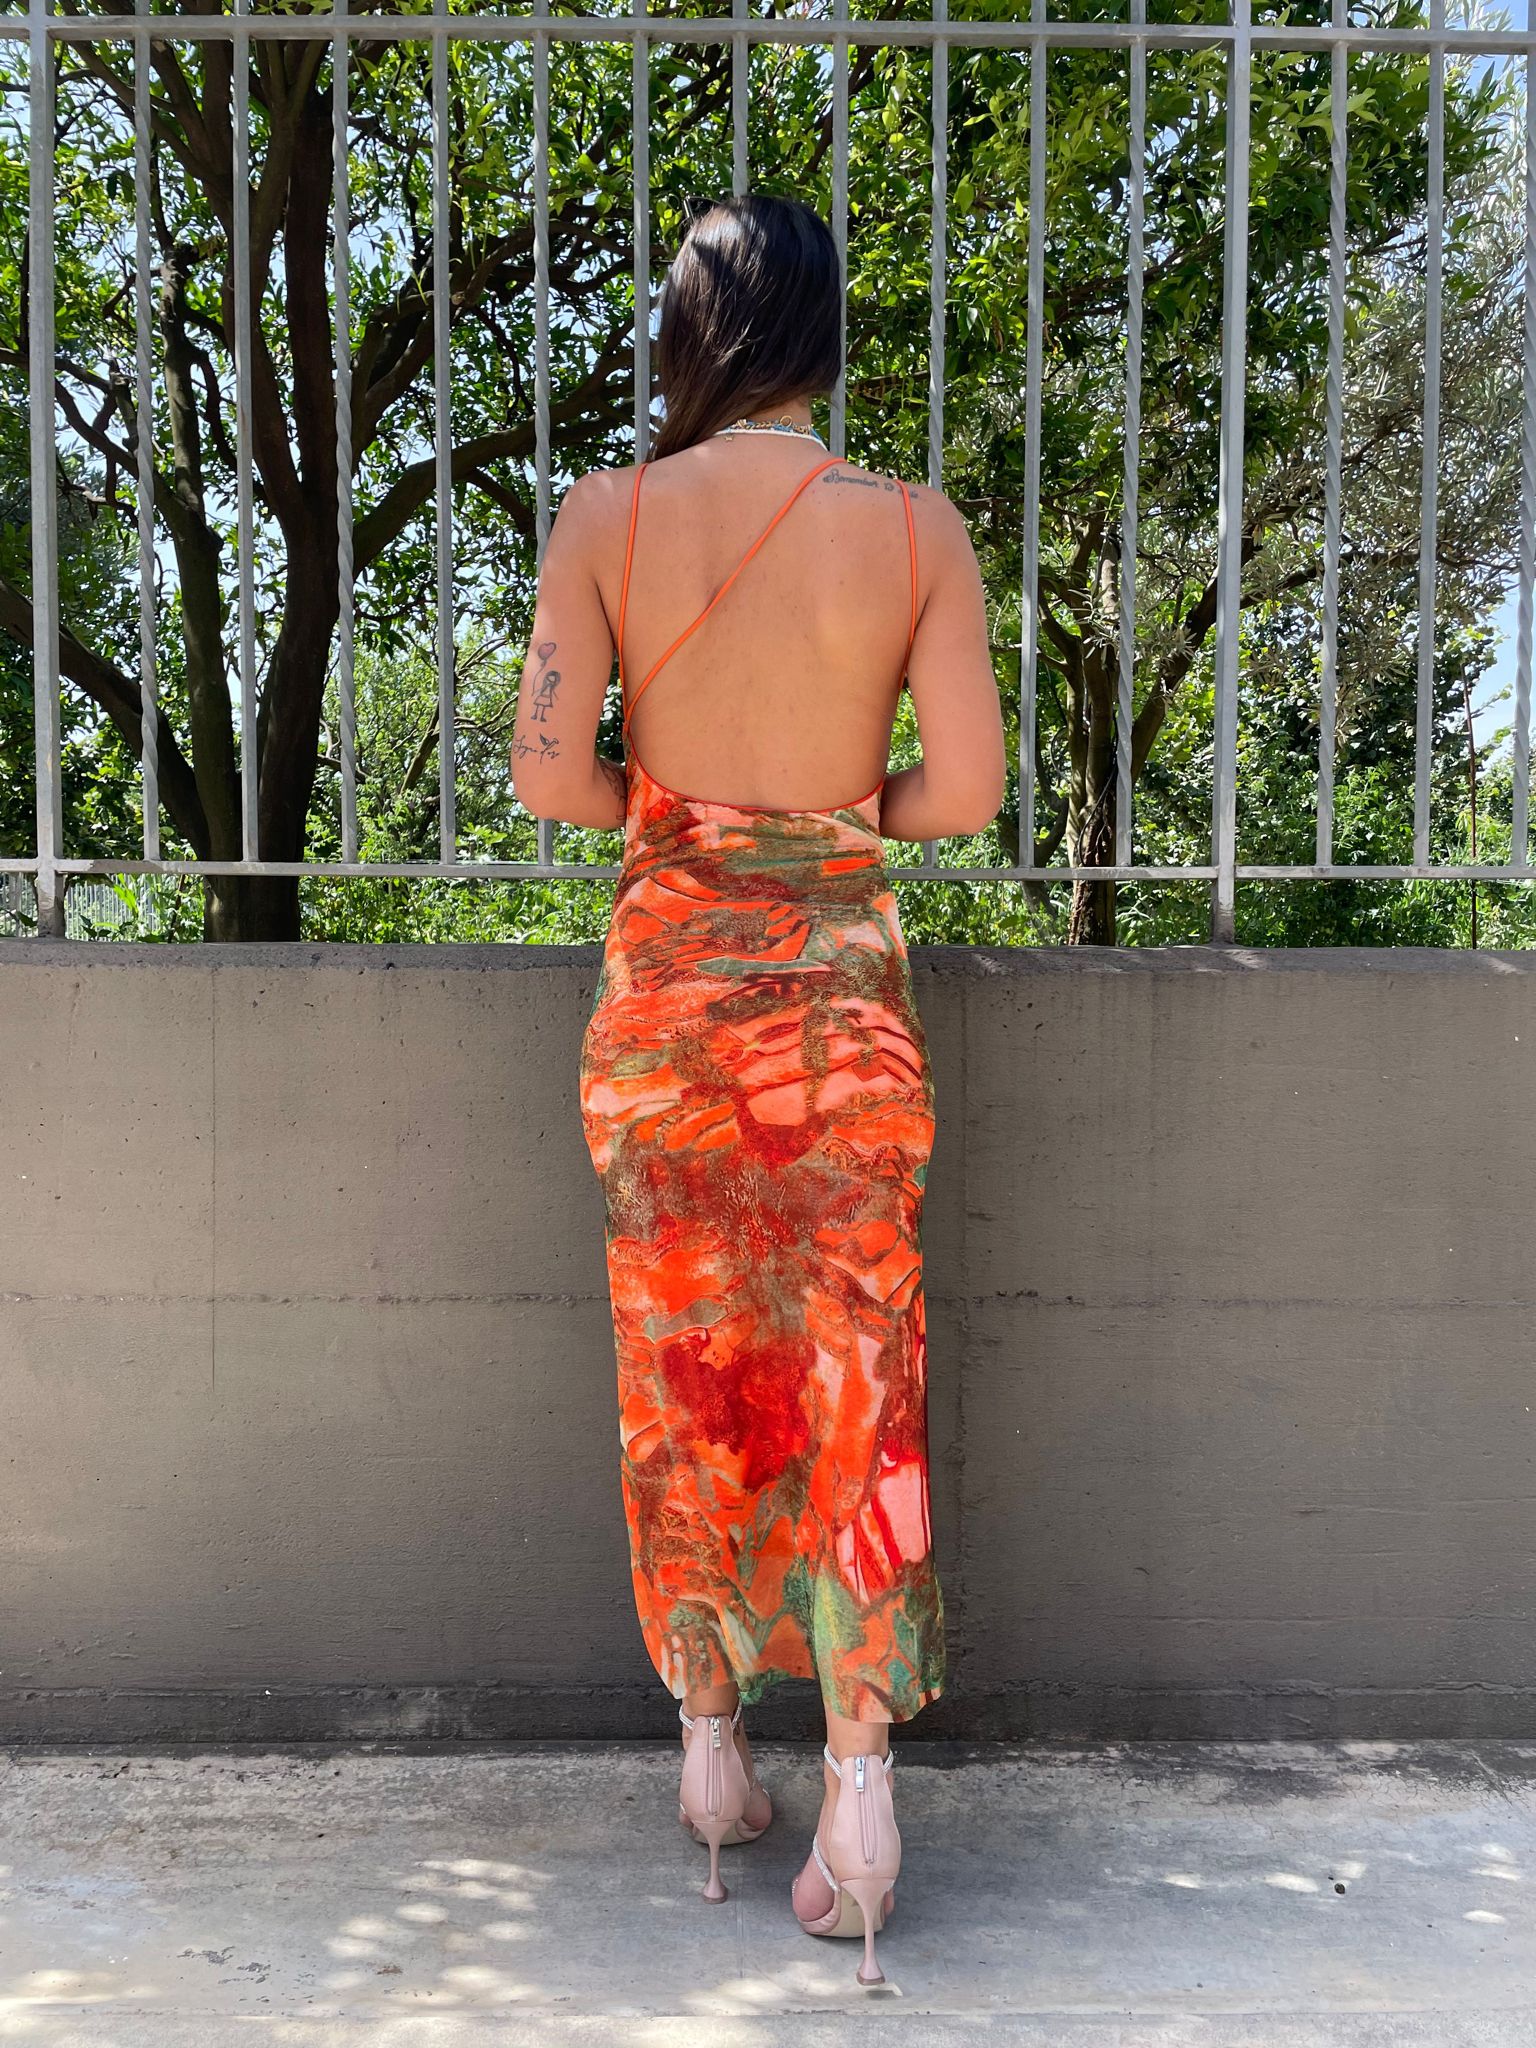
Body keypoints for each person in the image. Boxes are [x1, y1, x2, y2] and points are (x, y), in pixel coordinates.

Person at [509, 193, 1004, 1985]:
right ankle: (860, 1806)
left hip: (665, 1036)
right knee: (859, 1390)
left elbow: (552, 779)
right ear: (823, 342)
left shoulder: (608, 516)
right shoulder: (917, 530)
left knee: (686, 1381)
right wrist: (830, 815)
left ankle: (715, 1755)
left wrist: (680, 801)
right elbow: (963, 793)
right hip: (844, 1034)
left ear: (689, 336)